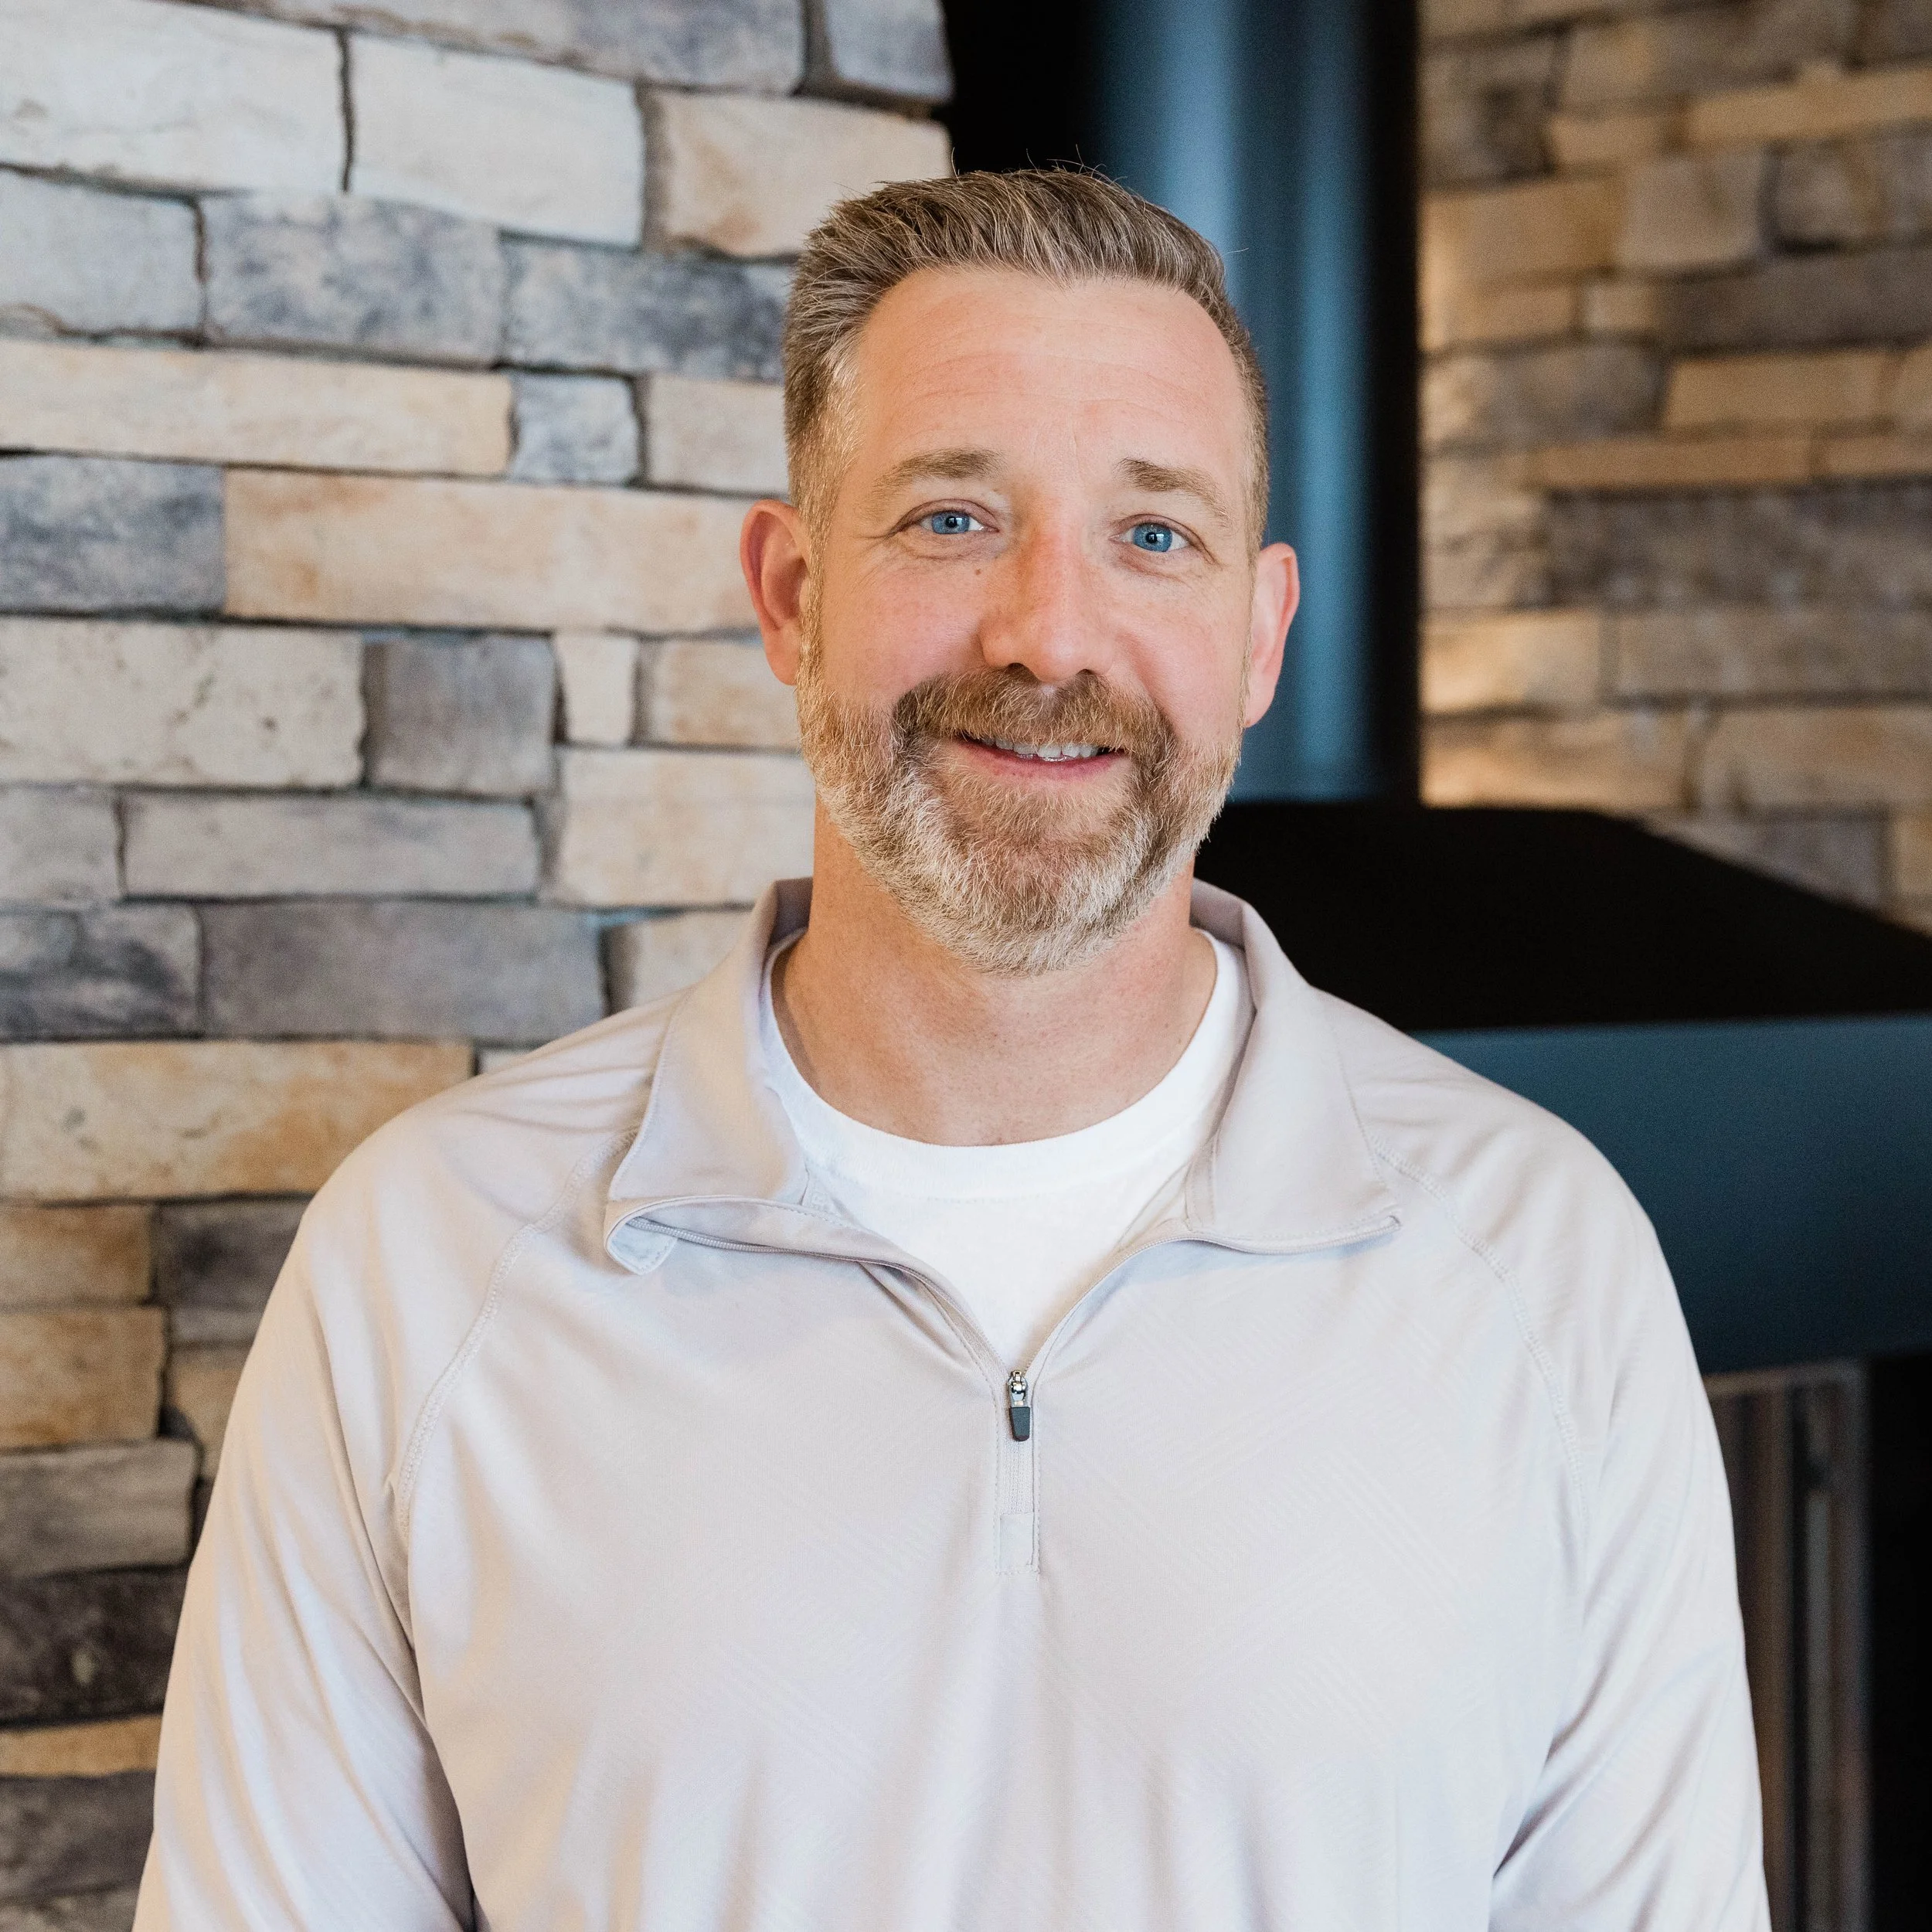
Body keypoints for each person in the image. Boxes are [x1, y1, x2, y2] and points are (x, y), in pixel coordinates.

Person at [136, 170, 1769, 1930]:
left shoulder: (1542, 1260)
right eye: (948, 518)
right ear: (787, 594)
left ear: (1258, 638)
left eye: (1153, 536)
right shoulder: (424, 1265)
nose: (1048, 636)